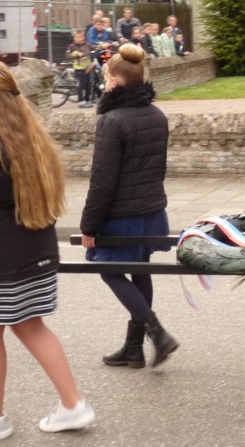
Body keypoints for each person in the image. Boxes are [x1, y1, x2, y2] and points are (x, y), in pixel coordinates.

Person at [0, 63, 97, 437]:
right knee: (32, 327)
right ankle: (72, 405)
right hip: (35, 254)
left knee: (26, 328)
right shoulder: (32, 138)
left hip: (6, 259)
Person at [80, 43, 178, 369]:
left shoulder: (112, 121)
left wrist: (89, 226)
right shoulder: (157, 116)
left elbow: (102, 181)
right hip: (151, 211)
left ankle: (157, 332)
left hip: (122, 216)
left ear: (115, 80)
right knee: (140, 269)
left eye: (106, 76)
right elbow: (159, 169)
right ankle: (134, 349)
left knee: (109, 270)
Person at [66, 30, 95, 108]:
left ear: (84, 38)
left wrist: (101, 46)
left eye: (80, 37)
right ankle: (81, 102)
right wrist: (75, 53)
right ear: (74, 38)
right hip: (79, 69)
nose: (78, 39)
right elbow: (67, 55)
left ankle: (87, 100)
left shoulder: (88, 45)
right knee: (80, 85)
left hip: (87, 68)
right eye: (77, 37)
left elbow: (94, 49)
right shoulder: (71, 46)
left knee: (88, 85)